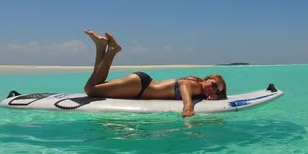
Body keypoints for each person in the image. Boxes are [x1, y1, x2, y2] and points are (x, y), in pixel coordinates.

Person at [83, 30, 227, 118]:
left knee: (98, 84)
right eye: (214, 84)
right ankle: (112, 50)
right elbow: (184, 86)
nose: (213, 89)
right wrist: (188, 107)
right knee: (90, 90)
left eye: (217, 90)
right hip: (140, 88)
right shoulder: (195, 85)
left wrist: (213, 97)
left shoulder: (198, 87)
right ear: (207, 79)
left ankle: (100, 46)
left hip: (141, 83)